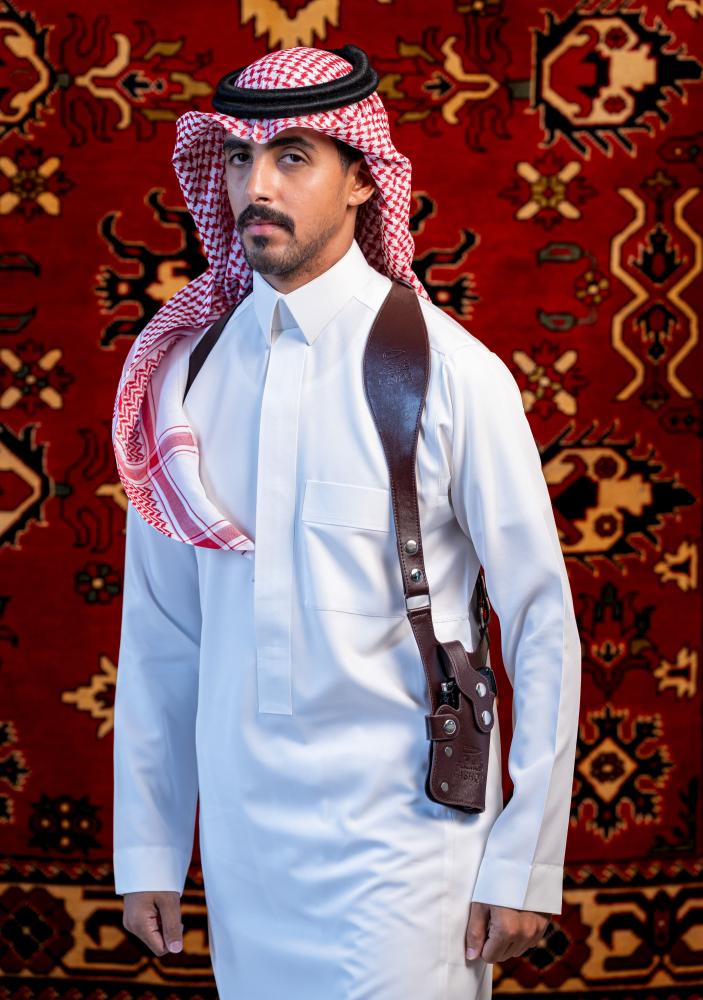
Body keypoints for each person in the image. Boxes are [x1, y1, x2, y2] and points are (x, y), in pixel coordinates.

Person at [111, 43, 581, 1000]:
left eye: (292, 157)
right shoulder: (181, 381)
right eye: (238, 159)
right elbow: (162, 635)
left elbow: (541, 623)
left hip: (408, 841)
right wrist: (151, 847)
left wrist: (525, 859)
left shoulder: (449, 373)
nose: (255, 186)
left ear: (364, 178)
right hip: (245, 847)